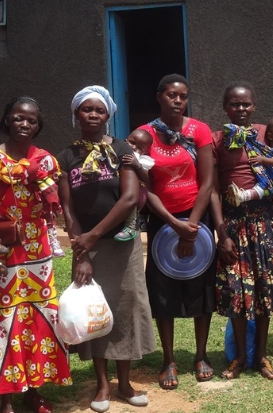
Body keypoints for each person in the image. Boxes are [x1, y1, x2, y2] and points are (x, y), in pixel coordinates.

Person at [0, 97, 71, 413]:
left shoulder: (47, 162)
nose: (25, 124)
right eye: (18, 118)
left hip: (38, 251)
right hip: (2, 250)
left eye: (31, 120)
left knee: (40, 315)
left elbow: (54, 202)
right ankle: (7, 396)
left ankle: (34, 390)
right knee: (7, 315)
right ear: (7, 120)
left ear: (38, 126)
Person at [57, 86, 155, 413]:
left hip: (122, 245)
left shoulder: (121, 149)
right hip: (88, 247)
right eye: (87, 109)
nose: (93, 115)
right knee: (93, 312)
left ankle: (124, 383)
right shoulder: (66, 156)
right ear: (76, 114)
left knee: (124, 309)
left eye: (99, 110)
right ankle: (102, 383)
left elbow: (129, 198)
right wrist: (82, 252)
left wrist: (93, 236)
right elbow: (68, 208)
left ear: (108, 115)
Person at [140, 74, 217, 389]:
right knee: (162, 290)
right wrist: (174, 224)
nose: (178, 101)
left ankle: (201, 355)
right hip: (163, 222)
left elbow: (207, 181)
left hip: (197, 220)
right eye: (171, 95)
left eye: (183, 96)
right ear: (159, 96)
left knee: (201, 287)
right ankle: (168, 359)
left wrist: (191, 227)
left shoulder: (199, 130)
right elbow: (146, 189)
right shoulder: (145, 135)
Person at [210, 83, 273, 380]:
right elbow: (213, 189)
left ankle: (262, 356)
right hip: (234, 224)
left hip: (265, 222)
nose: (241, 109)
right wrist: (221, 233)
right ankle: (240, 357)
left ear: (254, 106)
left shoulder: (265, 132)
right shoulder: (217, 139)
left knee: (264, 289)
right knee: (236, 291)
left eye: (246, 104)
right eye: (234, 104)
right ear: (225, 107)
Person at [225, 116, 273, 206]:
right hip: (271, 183)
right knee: (261, 188)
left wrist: (262, 160)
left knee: (264, 187)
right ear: (270, 136)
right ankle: (242, 196)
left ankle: (244, 196)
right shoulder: (266, 148)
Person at [118, 128, 155, 242]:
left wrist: (137, 165)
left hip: (137, 192)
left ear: (145, 151)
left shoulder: (143, 160)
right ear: (126, 140)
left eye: (140, 148)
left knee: (131, 203)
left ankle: (131, 227)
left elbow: (146, 178)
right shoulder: (118, 151)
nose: (134, 148)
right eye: (132, 143)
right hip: (121, 188)